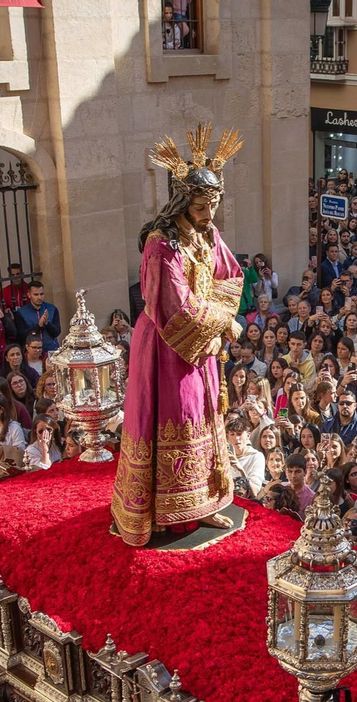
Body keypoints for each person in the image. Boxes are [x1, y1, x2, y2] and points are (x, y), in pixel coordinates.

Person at [109, 125, 246, 547]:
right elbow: (173, 306)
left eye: (214, 206)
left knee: (203, 419)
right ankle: (168, 516)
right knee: (176, 421)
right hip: (167, 348)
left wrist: (222, 318)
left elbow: (229, 276)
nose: (209, 216)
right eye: (203, 207)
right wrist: (222, 322)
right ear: (183, 202)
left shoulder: (208, 235)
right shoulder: (161, 245)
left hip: (200, 347)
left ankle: (201, 505)